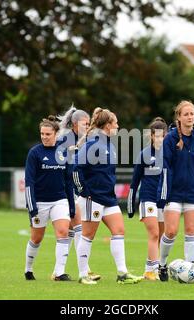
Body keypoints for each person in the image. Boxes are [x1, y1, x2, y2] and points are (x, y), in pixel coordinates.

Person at [73, 107, 143, 285]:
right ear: (107, 125)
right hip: (92, 198)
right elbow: (76, 169)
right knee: (88, 235)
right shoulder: (93, 144)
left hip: (109, 198)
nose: (118, 126)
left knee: (119, 230)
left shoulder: (110, 145)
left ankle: (122, 274)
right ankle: (83, 275)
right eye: (116, 123)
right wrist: (84, 191)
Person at [156, 100, 194, 282]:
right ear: (179, 117)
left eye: (192, 114)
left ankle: (190, 270)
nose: (190, 117)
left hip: (193, 193)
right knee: (171, 231)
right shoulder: (170, 139)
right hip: (173, 193)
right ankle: (162, 264)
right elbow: (165, 168)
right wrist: (163, 194)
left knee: (191, 231)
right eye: (186, 114)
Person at [23, 116, 76, 281]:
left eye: (48, 134)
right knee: (36, 238)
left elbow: (68, 181)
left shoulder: (63, 152)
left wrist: (71, 204)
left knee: (63, 233)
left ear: (56, 133)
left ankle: (59, 273)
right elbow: (29, 181)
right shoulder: (34, 153)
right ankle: (28, 269)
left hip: (59, 200)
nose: (44, 137)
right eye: (42, 134)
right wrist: (32, 206)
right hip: (39, 202)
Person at [56, 105, 101, 281]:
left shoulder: (84, 140)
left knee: (72, 230)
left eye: (89, 123)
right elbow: (60, 164)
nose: (87, 126)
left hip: (72, 190)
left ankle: (59, 271)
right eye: (84, 123)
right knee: (77, 229)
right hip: (63, 191)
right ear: (74, 124)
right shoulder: (66, 139)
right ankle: (83, 269)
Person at [127, 117, 168, 281]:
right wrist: (131, 205)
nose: (159, 139)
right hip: (148, 199)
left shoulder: (169, 154)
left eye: (162, 136)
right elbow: (135, 181)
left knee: (161, 236)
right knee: (154, 234)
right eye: (156, 136)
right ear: (151, 136)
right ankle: (152, 271)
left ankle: (149, 269)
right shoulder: (144, 154)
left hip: (164, 201)